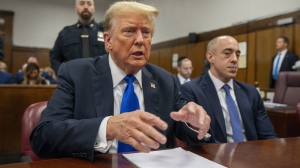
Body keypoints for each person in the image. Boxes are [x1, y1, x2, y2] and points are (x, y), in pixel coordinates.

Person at [30, 1, 212, 161]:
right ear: (108, 40)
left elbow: (183, 127)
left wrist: (194, 123)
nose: (140, 40)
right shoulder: (76, 74)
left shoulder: (164, 80)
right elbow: (44, 137)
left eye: (146, 32)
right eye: (129, 31)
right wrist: (107, 127)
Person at [179, 35, 277, 143]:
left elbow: (268, 136)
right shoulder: (191, 91)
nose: (235, 59)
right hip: (215, 155)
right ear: (210, 57)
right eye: (227, 53)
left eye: (237, 54)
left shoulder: (251, 92)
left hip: (251, 155)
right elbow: (194, 138)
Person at [49, 0, 107, 74]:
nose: (86, 7)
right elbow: (54, 57)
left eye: (89, 4)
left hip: (100, 80)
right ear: (76, 8)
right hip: (73, 82)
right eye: (82, 3)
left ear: (94, 8)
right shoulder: (65, 33)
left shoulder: (105, 32)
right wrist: (63, 74)